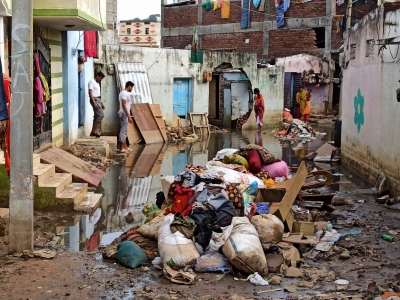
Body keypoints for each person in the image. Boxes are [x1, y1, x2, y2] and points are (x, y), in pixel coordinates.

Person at [118, 81, 134, 153]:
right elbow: (124, 105)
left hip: (123, 113)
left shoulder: (122, 93)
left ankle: (125, 147)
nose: (132, 89)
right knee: (123, 131)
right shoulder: (124, 93)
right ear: (129, 86)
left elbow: (120, 104)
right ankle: (121, 148)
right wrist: (128, 115)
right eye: (132, 87)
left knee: (124, 131)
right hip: (124, 114)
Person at [88, 72, 105, 138]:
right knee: (101, 115)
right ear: (97, 76)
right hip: (94, 99)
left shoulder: (97, 83)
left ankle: (93, 132)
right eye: (100, 78)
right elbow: (90, 93)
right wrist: (94, 102)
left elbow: (98, 95)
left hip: (98, 99)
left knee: (97, 115)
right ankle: (93, 131)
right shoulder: (92, 82)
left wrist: (102, 103)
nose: (100, 80)